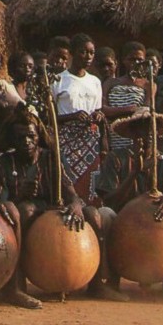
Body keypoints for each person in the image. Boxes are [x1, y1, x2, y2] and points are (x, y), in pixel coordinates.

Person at [0, 104, 124, 303]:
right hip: (20, 216)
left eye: (31, 136)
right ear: (11, 139)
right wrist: (19, 195)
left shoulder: (50, 159)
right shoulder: (2, 163)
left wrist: (75, 204)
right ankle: (15, 286)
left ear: (38, 136)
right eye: (20, 137)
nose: (26, 142)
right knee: (23, 210)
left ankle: (97, 285)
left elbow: (70, 193)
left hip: (53, 211)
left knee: (92, 213)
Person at [96, 108, 163, 291]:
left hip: (161, 223)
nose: (148, 134)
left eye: (153, 129)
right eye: (143, 128)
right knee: (104, 214)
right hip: (125, 223)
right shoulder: (116, 158)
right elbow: (109, 199)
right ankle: (112, 279)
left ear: (158, 133)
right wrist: (134, 174)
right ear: (134, 133)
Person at [51, 33, 108, 201]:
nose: (88, 57)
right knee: (67, 182)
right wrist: (72, 116)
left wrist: (98, 115)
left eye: (91, 53)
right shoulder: (58, 80)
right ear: (72, 53)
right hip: (66, 140)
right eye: (84, 52)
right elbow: (51, 117)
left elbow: (98, 110)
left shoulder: (95, 82)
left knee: (90, 185)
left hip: (90, 139)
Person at [102, 41, 150, 151]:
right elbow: (104, 110)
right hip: (114, 134)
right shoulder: (111, 82)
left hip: (135, 135)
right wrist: (131, 109)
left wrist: (118, 112)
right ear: (124, 60)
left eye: (140, 60)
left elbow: (145, 112)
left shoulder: (148, 85)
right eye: (132, 59)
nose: (136, 62)